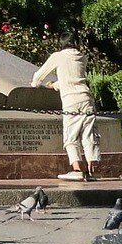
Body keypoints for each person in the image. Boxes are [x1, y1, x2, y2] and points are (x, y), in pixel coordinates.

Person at [32, 35, 99, 182]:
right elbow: (73, 79)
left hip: (71, 101)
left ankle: (77, 170)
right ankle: (91, 171)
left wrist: (36, 84)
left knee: (71, 137)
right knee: (88, 135)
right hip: (87, 98)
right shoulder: (82, 57)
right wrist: (55, 85)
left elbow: (38, 77)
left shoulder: (58, 56)